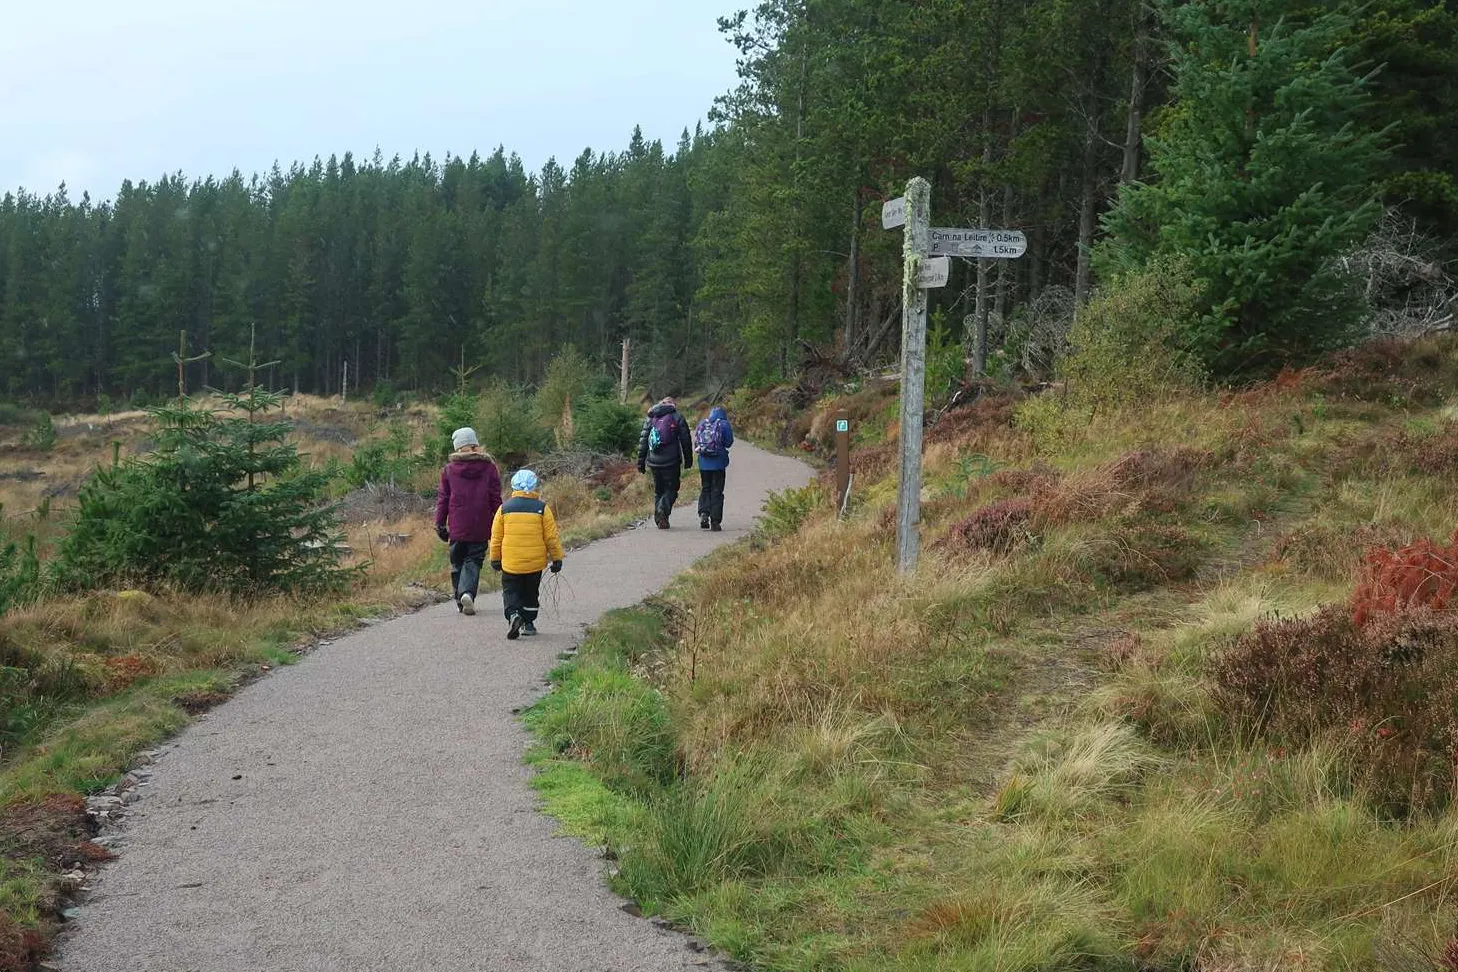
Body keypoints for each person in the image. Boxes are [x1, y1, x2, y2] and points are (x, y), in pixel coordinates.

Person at [489, 469, 565, 640]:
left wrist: (495, 558)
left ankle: (514, 614)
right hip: (534, 563)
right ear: (534, 486)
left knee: (511, 592)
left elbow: (496, 537)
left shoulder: (504, 509)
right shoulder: (542, 509)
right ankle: (529, 623)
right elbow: (551, 537)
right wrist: (557, 558)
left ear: (513, 486)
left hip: (511, 563)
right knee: (531, 592)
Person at [434, 427, 502, 616]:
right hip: (482, 524)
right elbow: (495, 498)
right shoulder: (489, 467)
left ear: (457, 447)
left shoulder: (449, 470)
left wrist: (440, 523)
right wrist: (501, 522)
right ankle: (467, 594)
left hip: (457, 525)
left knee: (457, 562)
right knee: (473, 561)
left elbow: (443, 499)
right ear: (476, 445)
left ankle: (460, 598)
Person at [636, 396, 693, 529]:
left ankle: (660, 519)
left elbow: (643, 441)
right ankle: (662, 510)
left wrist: (640, 462)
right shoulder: (677, 416)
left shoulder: (651, 417)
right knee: (672, 489)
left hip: (653, 462)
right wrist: (688, 460)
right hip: (671, 461)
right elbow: (686, 440)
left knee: (659, 491)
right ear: (673, 405)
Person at [693, 406, 734, 531]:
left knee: (706, 488)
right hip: (718, 464)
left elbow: (696, 442)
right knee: (717, 490)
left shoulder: (702, 423)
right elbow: (729, 443)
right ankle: (715, 521)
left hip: (704, 464)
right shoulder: (724, 424)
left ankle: (704, 513)